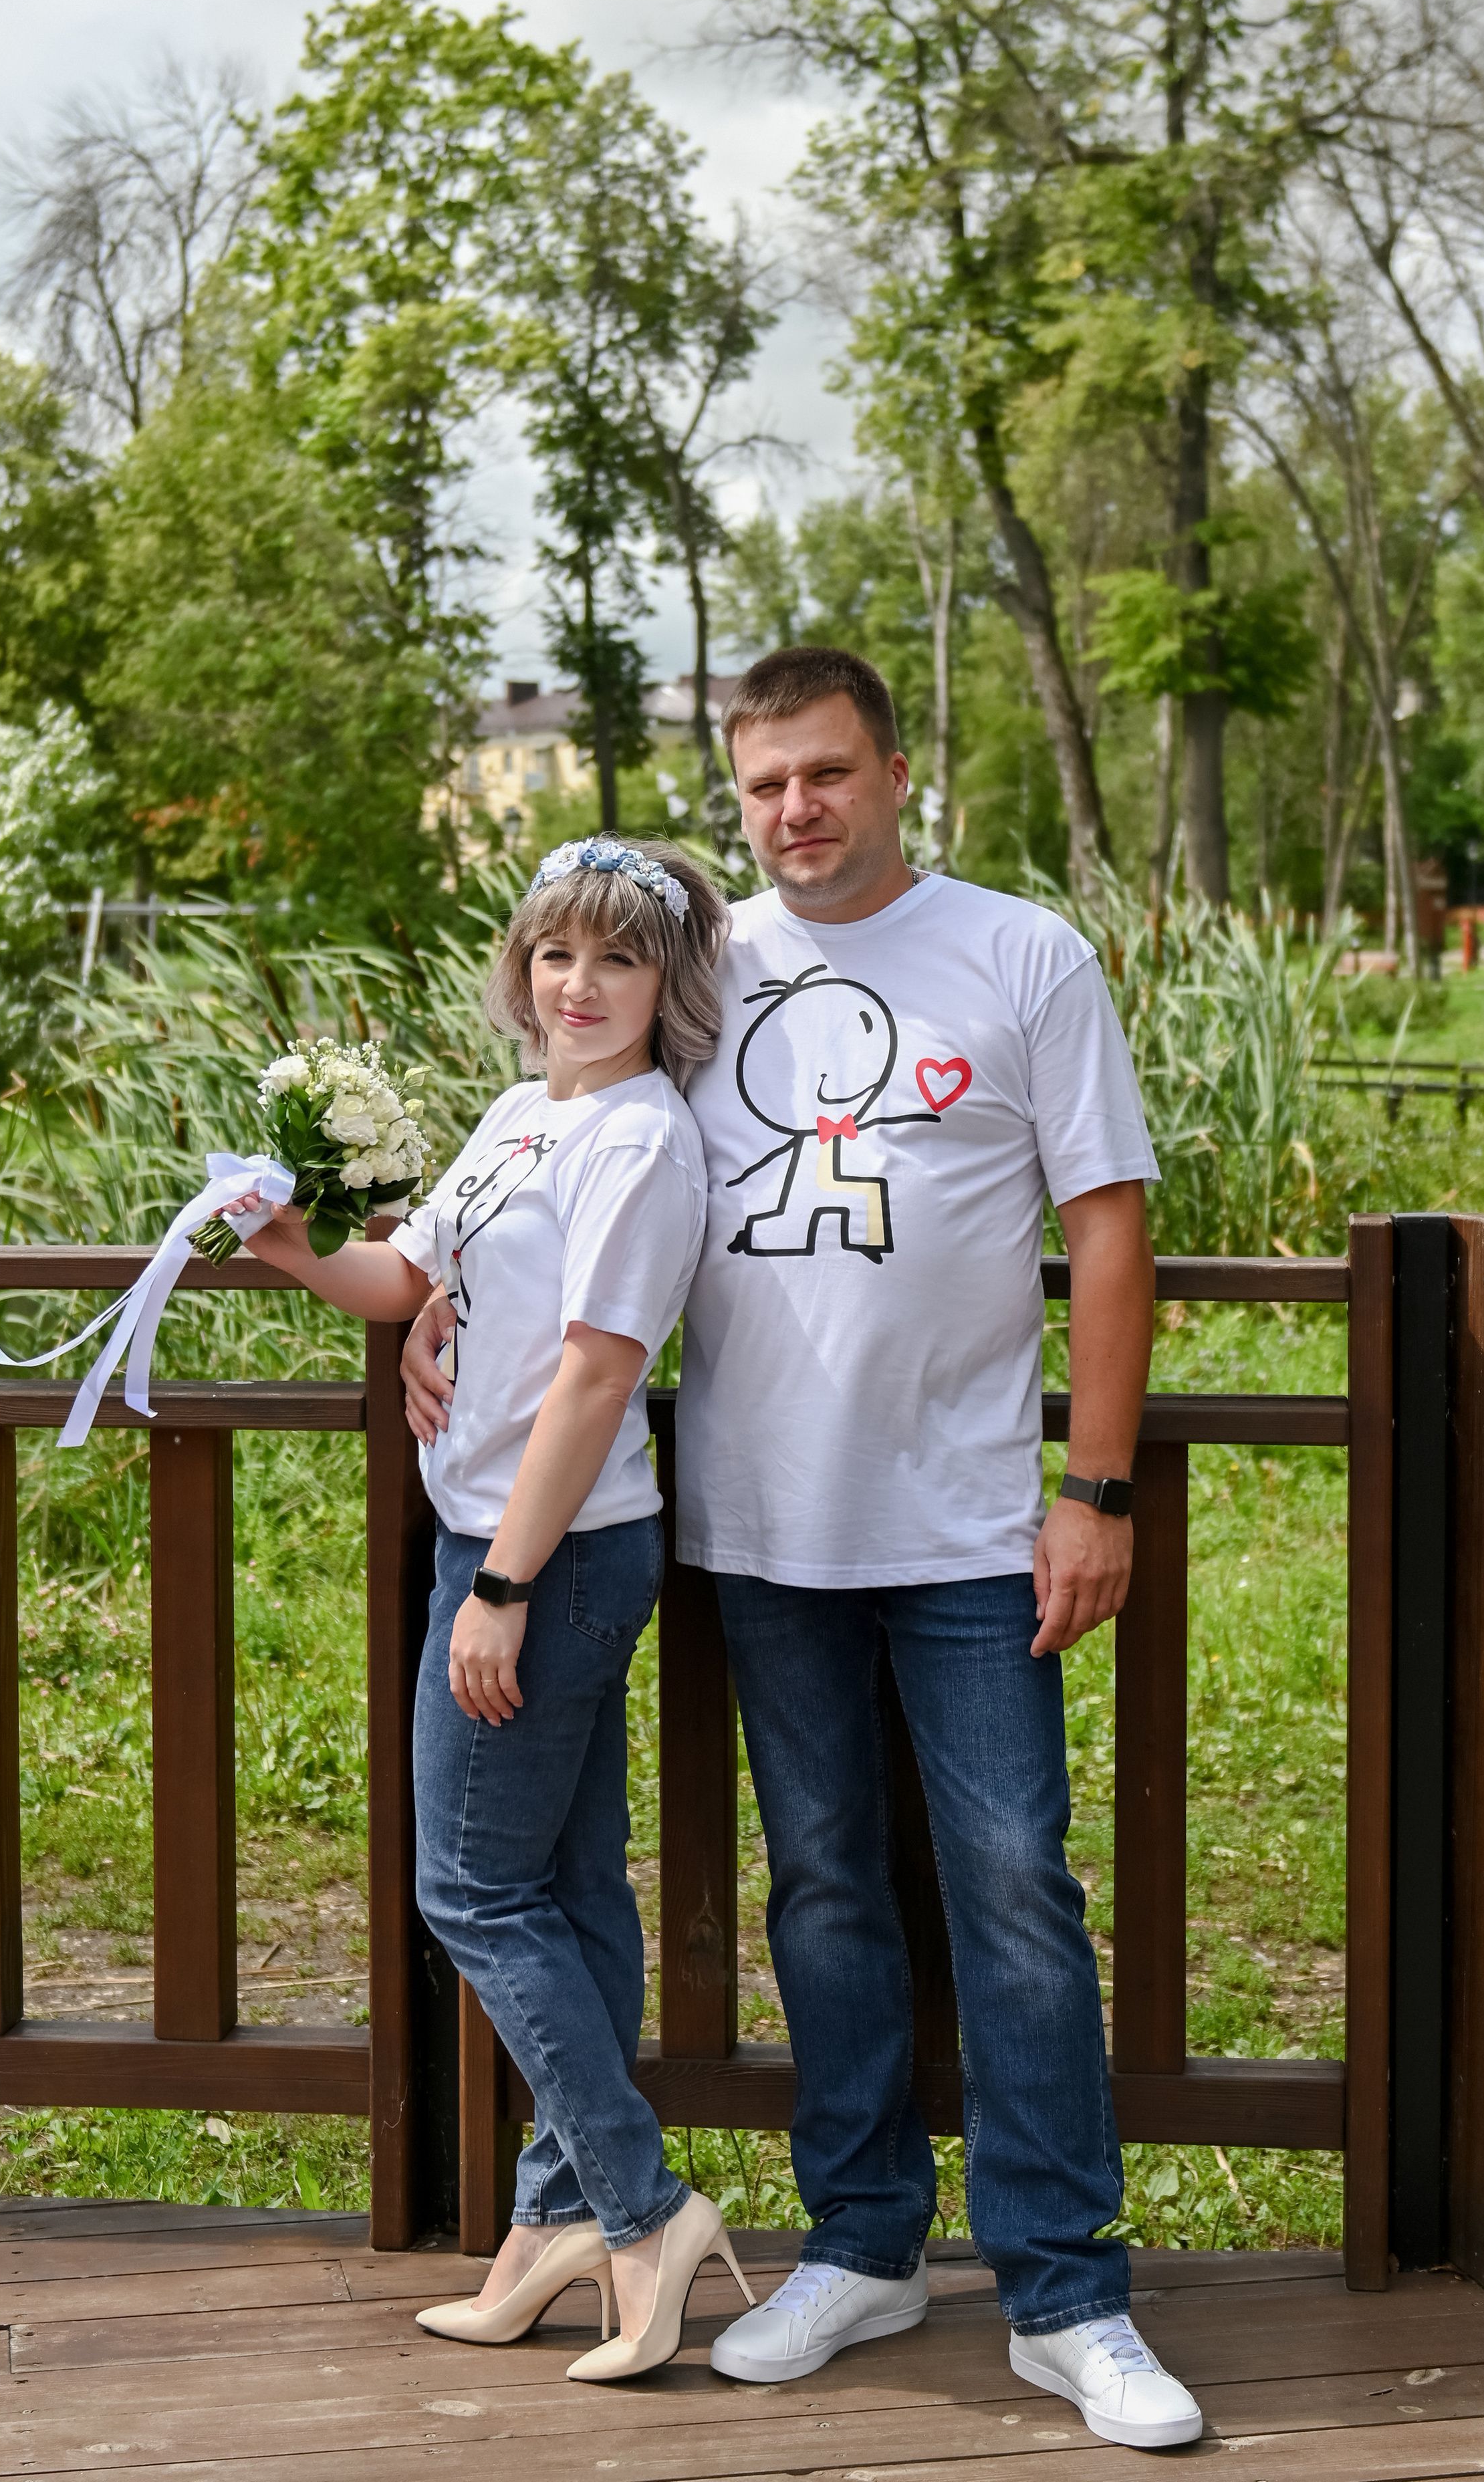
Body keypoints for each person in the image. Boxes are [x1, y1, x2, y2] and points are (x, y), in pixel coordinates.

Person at [404, 650, 1203, 2452]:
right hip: (761, 1527)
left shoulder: (1022, 957)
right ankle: (861, 2244)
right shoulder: (701, 966)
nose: (795, 811)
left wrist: (1095, 1489)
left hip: (969, 1523)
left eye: (826, 773)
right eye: (764, 784)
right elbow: (561, 1161)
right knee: (824, 1888)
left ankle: (1066, 2290)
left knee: (1012, 1891)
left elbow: (1108, 1223)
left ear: (896, 773)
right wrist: (432, 1304)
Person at [222, 835, 754, 2384]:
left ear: (666, 983)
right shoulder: (526, 1114)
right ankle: (550, 2228)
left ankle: (643, 2208)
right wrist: (291, 1248)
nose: (578, 985)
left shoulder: (640, 1143)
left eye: (617, 958)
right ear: (521, 971)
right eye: (554, 954)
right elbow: (410, 1276)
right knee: (569, 1894)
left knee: (469, 1889)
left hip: (552, 1555)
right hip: (504, 1541)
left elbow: (595, 1373)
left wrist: (503, 1587)